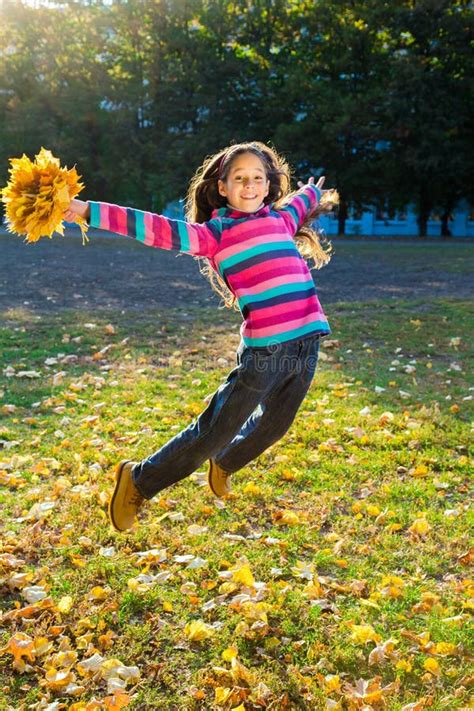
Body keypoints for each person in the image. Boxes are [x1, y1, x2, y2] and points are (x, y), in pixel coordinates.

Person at [64, 141, 336, 532]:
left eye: (258, 178)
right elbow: (154, 228)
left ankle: (225, 464)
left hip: (307, 341)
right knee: (213, 431)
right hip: (265, 352)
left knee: (275, 425)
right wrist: (87, 210)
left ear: (267, 184)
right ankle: (139, 480)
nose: (250, 185)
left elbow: (301, 201)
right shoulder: (215, 234)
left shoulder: (281, 220)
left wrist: (312, 190)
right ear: (222, 187)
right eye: (240, 178)